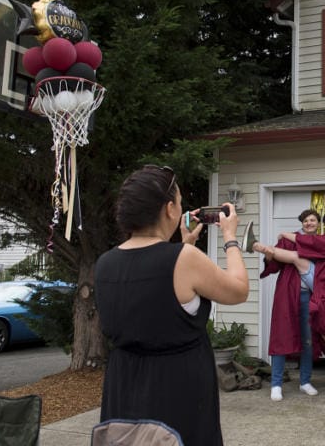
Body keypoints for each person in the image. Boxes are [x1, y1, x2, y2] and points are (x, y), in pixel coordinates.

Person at [95, 165, 249, 446]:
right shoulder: (184, 258)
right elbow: (238, 290)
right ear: (169, 209)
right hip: (177, 386)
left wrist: (184, 242)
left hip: (123, 382)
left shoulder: (105, 263)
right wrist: (230, 237)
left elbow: (149, 292)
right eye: (179, 201)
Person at [245, 211, 325, 377]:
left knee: (321, 321)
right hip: (307, 288)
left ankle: (254, 245)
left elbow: (315, 244)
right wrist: (269, 253)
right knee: (312, 322)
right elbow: (275, 262)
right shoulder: (317, 239)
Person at [252, 209, 323, 402]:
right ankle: (276, 384)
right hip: (287, 295)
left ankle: (305, 381)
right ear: (302, 223)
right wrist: (268, 255)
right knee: (281, 336)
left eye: (313, 220)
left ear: (318, 224)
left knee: (308, 339)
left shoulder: (320, 244)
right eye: (306, 220)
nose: (309, 223)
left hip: (310, 297)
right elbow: (274, 265)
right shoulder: (289, 241)